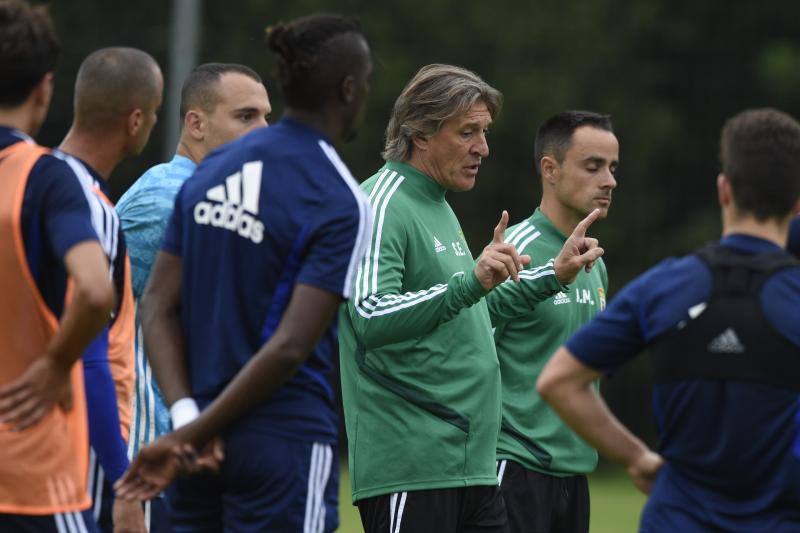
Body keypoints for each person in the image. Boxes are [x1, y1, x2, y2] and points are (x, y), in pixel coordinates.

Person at [115, 14, 375, 532]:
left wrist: (189, 423)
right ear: (349, 89)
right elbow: (289, 346)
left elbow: (157, 306)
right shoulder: (339, 194)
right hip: (280, 441)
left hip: (196, 444)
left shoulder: (209, 172)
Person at [338, 64, 605, 533]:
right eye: (467, 132)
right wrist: (468, 284)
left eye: (483, 132)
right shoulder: (381, 202)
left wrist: (552, 276)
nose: (483, 147)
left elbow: (469, 312)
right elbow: (369, 314)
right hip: (414, 466)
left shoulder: (437, 204)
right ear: (420, 132)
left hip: (472, 467)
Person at [538, 108, 800, 532]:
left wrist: (636, 458)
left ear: (724, 190)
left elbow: (559, 381)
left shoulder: (665, 287)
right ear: (796, 204)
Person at [116, 62, 270, 531]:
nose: (265, 131)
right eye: (246, 117)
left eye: (267, 117)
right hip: (149, 453)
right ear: (196, 123)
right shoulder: (168, 199)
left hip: (193, 452)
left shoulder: (222, 202)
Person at [0, 1, 115, 531]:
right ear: (45, 88)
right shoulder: (45, 178)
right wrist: (54, 364)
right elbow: (95, 290)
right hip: (32, 475)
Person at [487, 111, 618, 533]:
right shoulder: (516, 252)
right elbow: (467, 352)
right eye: (593, 166)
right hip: (515, 469)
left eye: (613, 168)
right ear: (550, 169)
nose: (609, 180)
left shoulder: (593, 262)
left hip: (574, 474)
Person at [58, 46, 163, 533]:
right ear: (136, 119)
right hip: (75, 457)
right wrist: (123, 484)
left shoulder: (23, 184)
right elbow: (92, 356)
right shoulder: (89, 209)